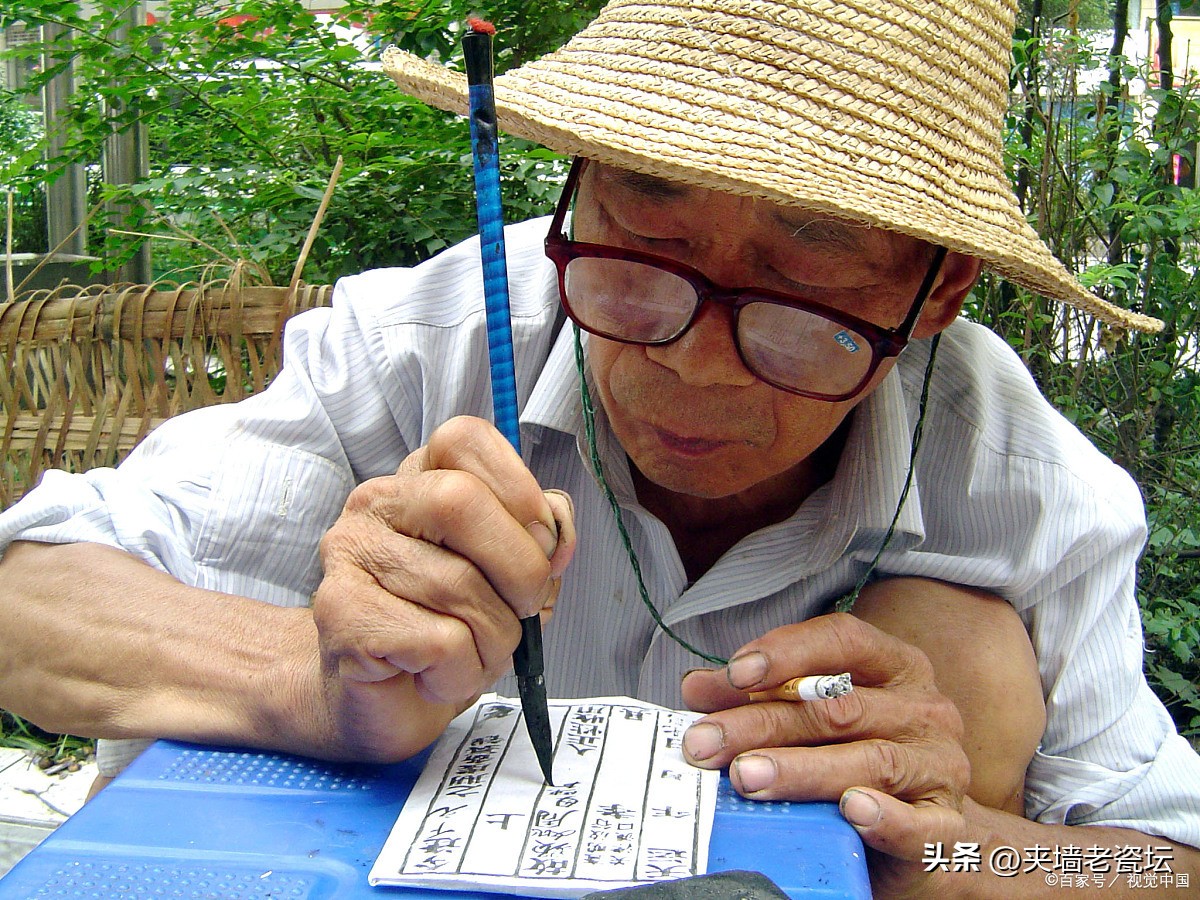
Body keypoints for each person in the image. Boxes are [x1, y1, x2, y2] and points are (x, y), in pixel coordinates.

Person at [1, 0, 1197, 894]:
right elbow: (27, 599)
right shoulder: (426, 348)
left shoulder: (1022, 486)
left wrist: (962, 850)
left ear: (935, 296)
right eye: (641, 248)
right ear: (578, 188)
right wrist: (309, 682)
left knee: (964, 644)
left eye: (799, 304)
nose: (694, 364)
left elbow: (1163, 862)